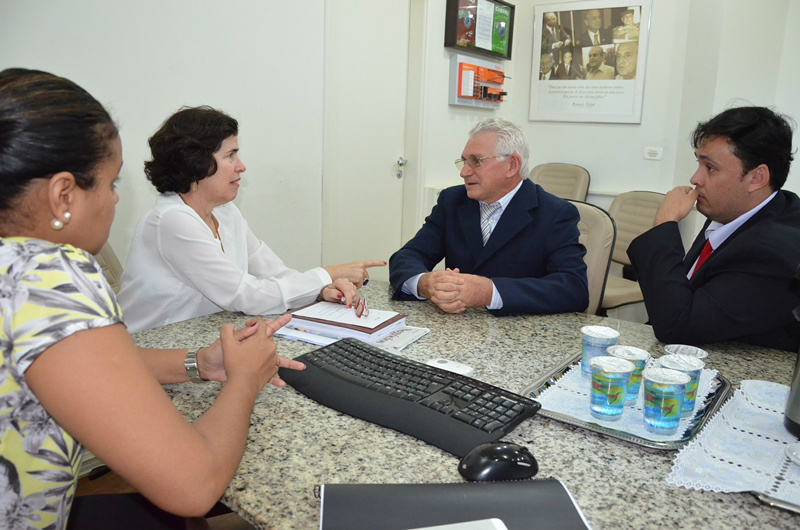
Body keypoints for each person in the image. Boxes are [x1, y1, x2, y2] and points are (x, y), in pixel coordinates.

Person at [0, 68, 305, 529]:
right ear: (63, 194)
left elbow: (66, 362)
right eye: (109, 184)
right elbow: (192, 485)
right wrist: (243, 378)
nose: (116, 202)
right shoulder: (50, 274)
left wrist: (197, 364)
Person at [117, 106, 385, 332]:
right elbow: (245, 295)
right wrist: (327, 273)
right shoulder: (171, 221)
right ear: (196, 164)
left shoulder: (225, 211)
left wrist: (322, 289)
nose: (241, 165)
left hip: (200, 338)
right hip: (151, 349)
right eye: (230, 155)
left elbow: (274, 273)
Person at [628, 106, 800, 352]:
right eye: (699, 163)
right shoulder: (734, 209)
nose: (695, 179)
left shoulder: (772, 250)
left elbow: (677, 326)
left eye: (710, 168)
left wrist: (665, 223)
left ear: (757, 178)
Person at [389, 118, 588, 316]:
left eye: (476, 161)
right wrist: (424, 283)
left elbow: (573, 288)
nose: (464, 172)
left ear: (512, 165)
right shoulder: (452, 201)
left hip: (520, 334)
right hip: (458, 331)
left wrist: (490, 292)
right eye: (464, 161)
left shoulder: (555, 213)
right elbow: (408, 256)